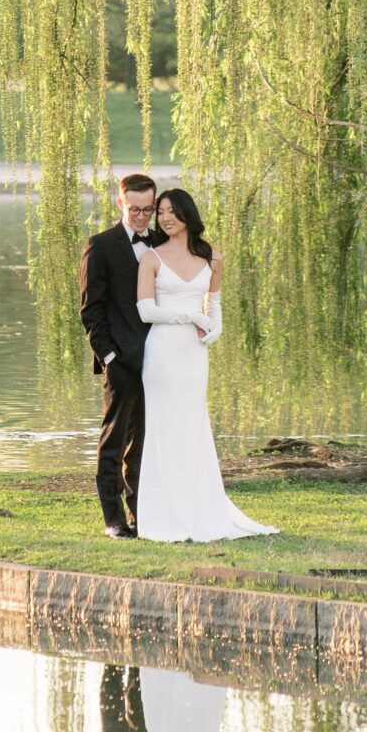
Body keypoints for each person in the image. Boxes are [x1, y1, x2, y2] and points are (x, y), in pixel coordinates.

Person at [134, 188, 275, 544]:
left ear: (187, 214)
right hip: (163, 351)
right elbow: (146, 311)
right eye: (160, 212)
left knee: (193, 427)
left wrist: (212, 331)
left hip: (194, 354)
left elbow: (215, 307)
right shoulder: (151, 259)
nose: (164, 218)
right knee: (163, 429)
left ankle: (199, 509)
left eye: (171, 212)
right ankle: (163, 514)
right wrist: (190, 315)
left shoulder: (213, 258)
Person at [79, 171, 163, 537]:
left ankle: (143, 514)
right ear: (120, 203)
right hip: (120, 362)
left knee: (145, 443)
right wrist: (109, 358)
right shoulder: (100, 246)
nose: (142, 217)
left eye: (148, 210)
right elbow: (90, 312)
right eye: (135, 210)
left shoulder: (164, 244)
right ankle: (113, 519)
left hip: (160, 361)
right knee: (114, 442)